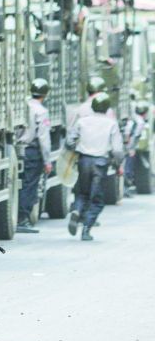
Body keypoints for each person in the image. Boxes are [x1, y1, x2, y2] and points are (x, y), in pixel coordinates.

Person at [66, 93, 124, 241]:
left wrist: (76, 149)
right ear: (107, 108)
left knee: (82, 193)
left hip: (83, 161)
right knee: (97, 199)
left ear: (92, 107)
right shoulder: (111, 124)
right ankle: (86, 228)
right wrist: (118, 165)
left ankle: (77, 211)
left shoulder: (82, 121)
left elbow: (69, 141)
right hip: (100, 163)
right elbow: (117, 149)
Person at [16, 79, 53, 234]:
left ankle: (19, 215)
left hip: (19, 148)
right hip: (33, 152)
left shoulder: (23, 105)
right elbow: (43, 138)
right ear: (45, 94)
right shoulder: (41, 111)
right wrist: (47, 160)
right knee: (30, 185)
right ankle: (22, 219)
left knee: (21, 183)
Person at [123, 101, 148, 196]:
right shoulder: (140, 122)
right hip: (129, 147)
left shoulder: (133, 119)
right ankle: (125, 189)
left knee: (126, 167)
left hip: (126, 146)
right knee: (128, 168)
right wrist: (131, 148)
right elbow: (135, 135)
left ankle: (125, 188)